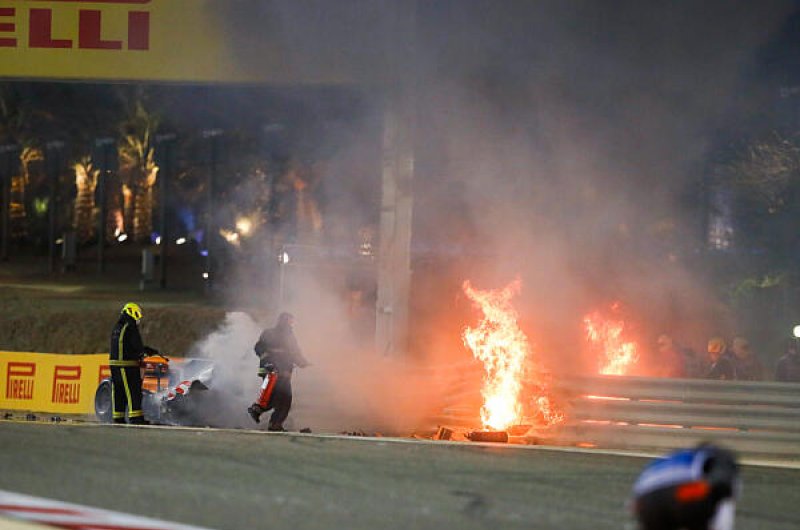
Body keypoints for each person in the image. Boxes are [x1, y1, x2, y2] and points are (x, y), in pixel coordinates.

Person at [631, 444, 740, 530]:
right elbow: (722, 483)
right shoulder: (718, 457)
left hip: (644, 499)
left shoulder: (680, 456)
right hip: (684, 492)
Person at [247, 312, 310, 431]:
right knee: (284, 398)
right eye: (289, 321)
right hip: (274, 371)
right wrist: (269, 360)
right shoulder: (273, 334)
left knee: (275, 397)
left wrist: (303, 362)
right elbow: (259, 347)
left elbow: (295, 353)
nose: (290, 324)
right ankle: (273, 422)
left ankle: (261, 412)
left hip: (276, 370)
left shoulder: (286, 336)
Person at [109, 302, 159, 425]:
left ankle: (118, 417)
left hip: (114, 365)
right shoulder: (130, 325)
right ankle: (136, 417)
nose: (138, 320)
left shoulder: (117, 326)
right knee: (133, 391)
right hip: (127, 365)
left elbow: (125, 344)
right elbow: (135, 344)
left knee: (118, 391)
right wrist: (145, 352)